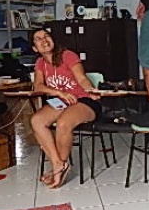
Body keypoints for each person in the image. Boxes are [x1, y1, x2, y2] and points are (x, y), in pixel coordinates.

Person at [30, 29, 102, 189]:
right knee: (37, 121)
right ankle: (58, 164)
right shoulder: (40, 63)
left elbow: (82, 78)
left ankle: (59, 170)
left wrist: (91, 90)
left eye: (47, 36)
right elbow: (38, 86)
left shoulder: (68, 55)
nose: (44, 40)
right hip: (62, 101)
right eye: (39, 39)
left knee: (63, 123)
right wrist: (59, 93)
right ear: (34, 48)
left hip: (83, 100)